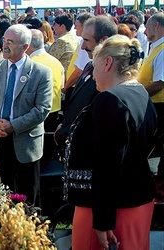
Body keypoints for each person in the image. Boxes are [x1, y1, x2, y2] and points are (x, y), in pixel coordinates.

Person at [64, 34, 156, 250]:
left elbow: (108, 164)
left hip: (110, 208)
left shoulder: (111, 99)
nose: (92, 75)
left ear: (107, 63)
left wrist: (102, 221)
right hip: (135, 200)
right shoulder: (139, 92)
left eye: (93, 66)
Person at [0, 24, 53, 206]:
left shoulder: (41, 73)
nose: (5, 45)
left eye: (11, 42)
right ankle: (7, 230)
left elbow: (42, 109)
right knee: (6, 193)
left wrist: (14, 125)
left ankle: (30, 231)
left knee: (28, 197)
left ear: (25, 47)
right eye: (4, 40)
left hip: (26, 142)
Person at [54, 15, 118, 150]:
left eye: (86, 40)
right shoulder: (90, 66)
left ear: (103, 41)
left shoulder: (110, 77)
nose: (82, 46)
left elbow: (94, 119)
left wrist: (65, 132)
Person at [26, 28, 64, 159]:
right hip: (54, 110)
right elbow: (62, 86)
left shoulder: (30, 64)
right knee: (48, 150)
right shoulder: (56, 62)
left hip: (35, 112)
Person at [138, 13, 164, 182]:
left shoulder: (162, 50)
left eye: (147, 27)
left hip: (158, 107)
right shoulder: (155, 47)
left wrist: (136, 94)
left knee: (154, 148)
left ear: (156, 26)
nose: (145, 31)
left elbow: (160, 82)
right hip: (152, 104)